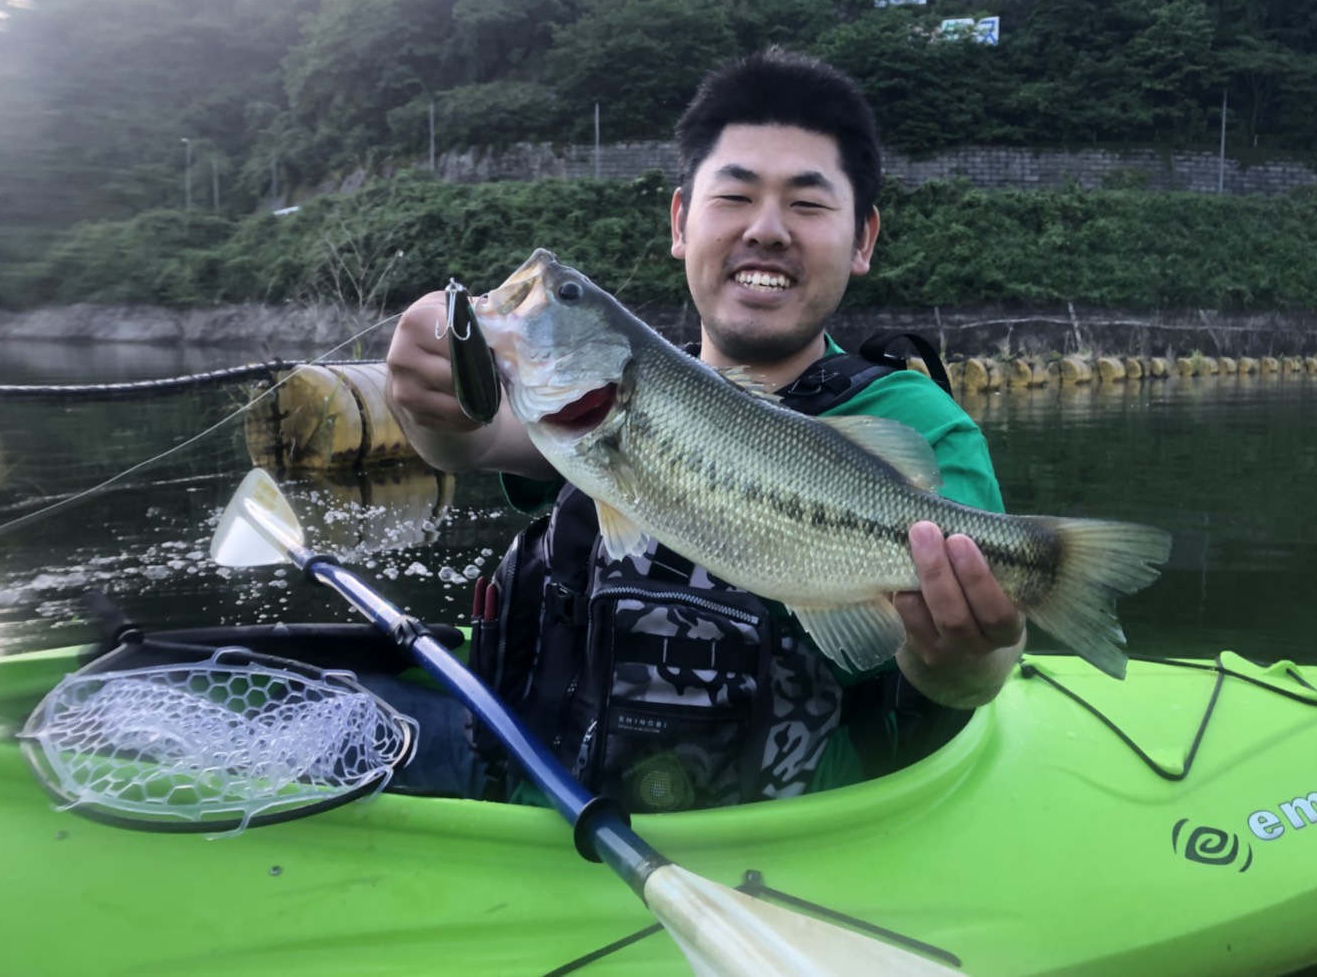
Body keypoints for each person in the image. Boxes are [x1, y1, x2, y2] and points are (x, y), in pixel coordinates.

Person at [385, 48, 1025, 810]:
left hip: (785, 840)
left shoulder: (918, 423)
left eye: (808, 204)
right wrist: (432, 396)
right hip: (552, 812)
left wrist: (969, 659)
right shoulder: (594, 411)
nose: (767, 229)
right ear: (681, 223)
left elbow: (972, 673)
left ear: (863, 239)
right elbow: (471, 439)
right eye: (735, 196)